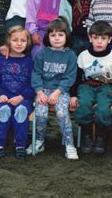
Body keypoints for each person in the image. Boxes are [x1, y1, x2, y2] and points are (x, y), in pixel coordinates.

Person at [70, 21, 112, 154]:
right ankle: (87, 134)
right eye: (96, 38)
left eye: (103, 38)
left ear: (109, 39)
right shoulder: (83, 56)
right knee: (83, 105)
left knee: (103, 109)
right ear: (90, 38)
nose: (99, 42)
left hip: (107, 87)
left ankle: (101, 135)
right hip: (87, 86)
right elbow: (76, 77)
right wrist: (73, 94)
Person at [28, 18, 78, 160]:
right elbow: (36, 74)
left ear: (66, 36)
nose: (57, 38)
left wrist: (57, 93)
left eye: (60, 35)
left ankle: (69, 144)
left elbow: (69, 77)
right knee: (41, 114)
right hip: (43, 91)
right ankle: (39, 141)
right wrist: (39, 92)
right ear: (47, 37)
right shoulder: (42, 54)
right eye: (53, 35)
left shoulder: (70, 55)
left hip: (61, 91)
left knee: (62, 113)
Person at [0, 26, 34, 161]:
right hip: (4, 99)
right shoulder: (1, 61)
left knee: (21, 111)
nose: (19, 43)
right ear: (8, 42)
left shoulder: (29, 62)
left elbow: (32, 85)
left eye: (23, 40)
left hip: (22, 100)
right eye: (15, 40)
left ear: (28, 43)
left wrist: (22, 96)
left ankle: (20, 145)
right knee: (3, 111)